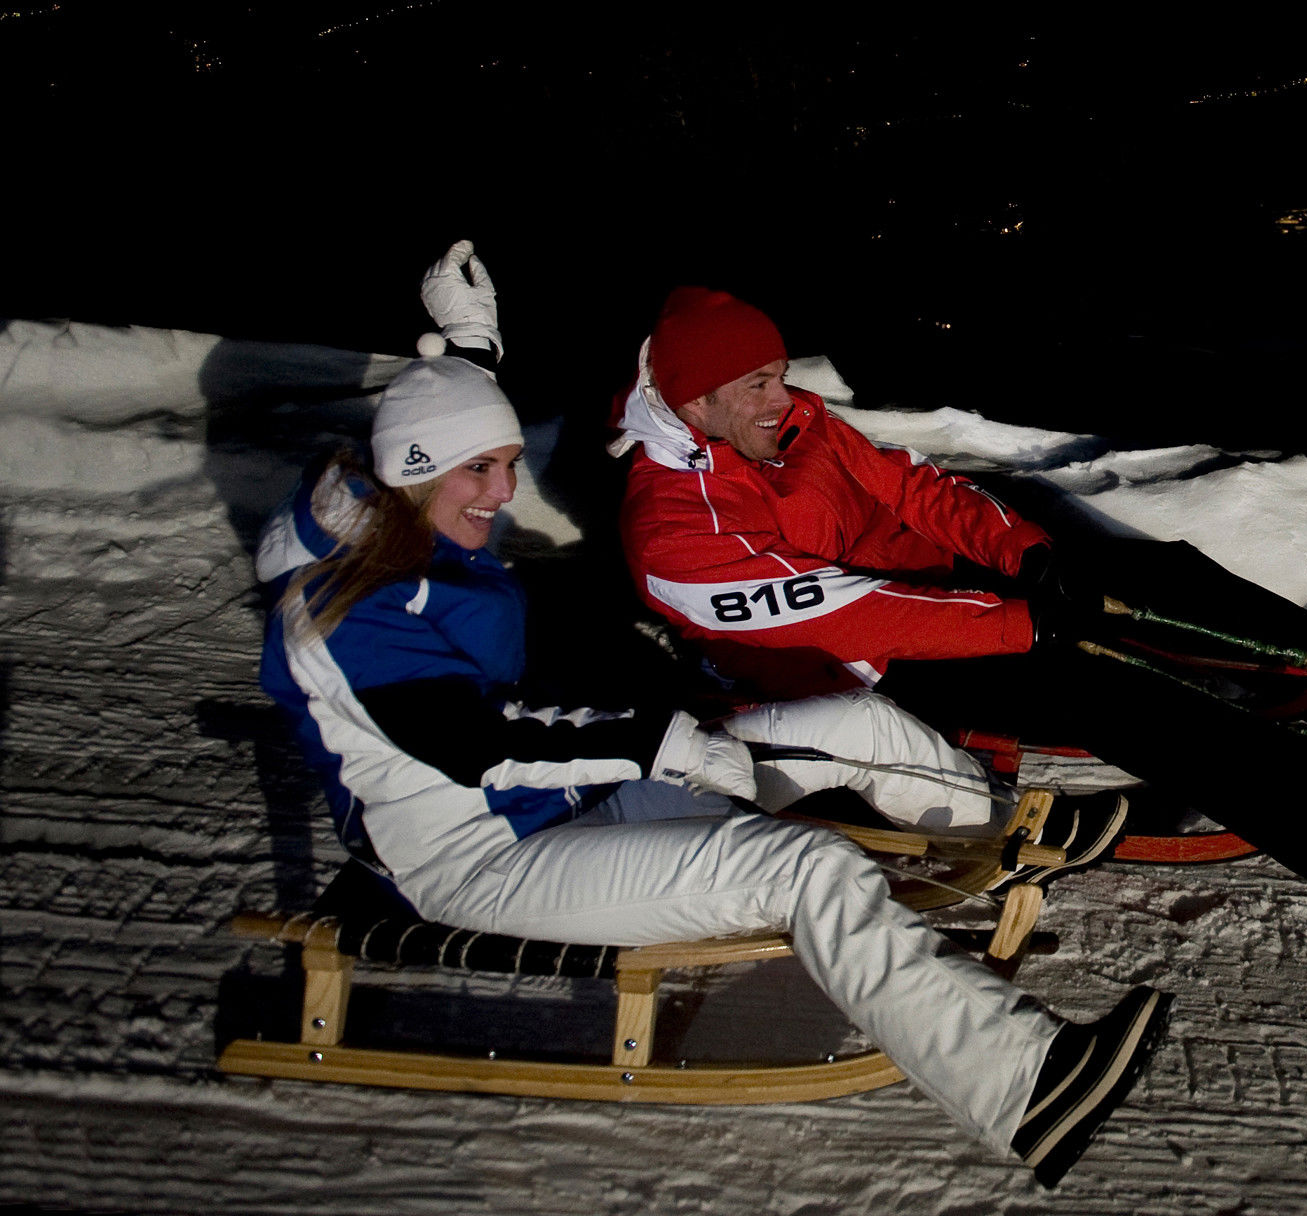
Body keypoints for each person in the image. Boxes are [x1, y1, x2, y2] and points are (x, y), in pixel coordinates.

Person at [254, 251, 1157, 1185]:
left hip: (574, 798)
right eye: (478, 472)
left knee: (854, 722)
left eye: (508, 463)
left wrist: (474, 350)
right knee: (804, 867)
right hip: (479, 858)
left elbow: (440, 433)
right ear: (414, 474)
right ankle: (1028, 1085)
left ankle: (1002, 835)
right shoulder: (348, 616)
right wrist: (662, 742)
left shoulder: (404, 505)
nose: (501, 491)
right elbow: (474, 747)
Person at [614, 285, 1307, 878]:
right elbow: (852, 616)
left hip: (939, 588)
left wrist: (1022, 554)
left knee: (1129, 572)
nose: (784, 396)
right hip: (862, 667)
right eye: (758, 384)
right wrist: (1020, 623)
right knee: (1097, 682)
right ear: (695, 399)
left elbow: (914, 487)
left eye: (779, 374)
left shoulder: (794, 425)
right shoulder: (671, 528)